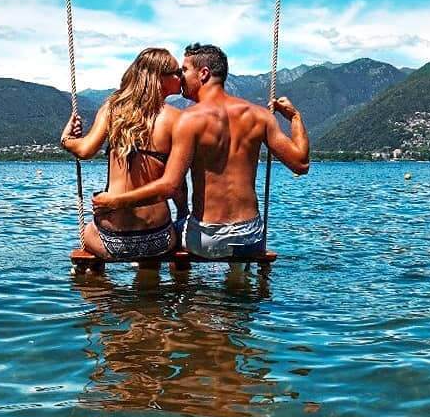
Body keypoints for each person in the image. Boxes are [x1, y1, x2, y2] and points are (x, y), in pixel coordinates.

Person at [92, 42, 309, 259]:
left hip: (206, 238)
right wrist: (295, 117)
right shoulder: (261, 116)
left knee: (168, 235)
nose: (181, 77)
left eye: (184, 70)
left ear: (203, 74)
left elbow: (169, 186)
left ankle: (181, 288)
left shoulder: (189, 120)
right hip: (250, 238)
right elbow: (301, 164)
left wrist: (115, 201)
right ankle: (237, 282)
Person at [60, 47, 188, 262]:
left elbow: (84, 150)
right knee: (153, 263)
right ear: (159, 78)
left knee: (87, 239)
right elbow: (178, 185)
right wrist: (183, 215)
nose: (181, 77)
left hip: (109, 240)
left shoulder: (113, 107)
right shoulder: (178, 119)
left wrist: (66, 140)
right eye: (177, 72)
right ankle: (147, 289)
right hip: (158, 238)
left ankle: (104, 294)